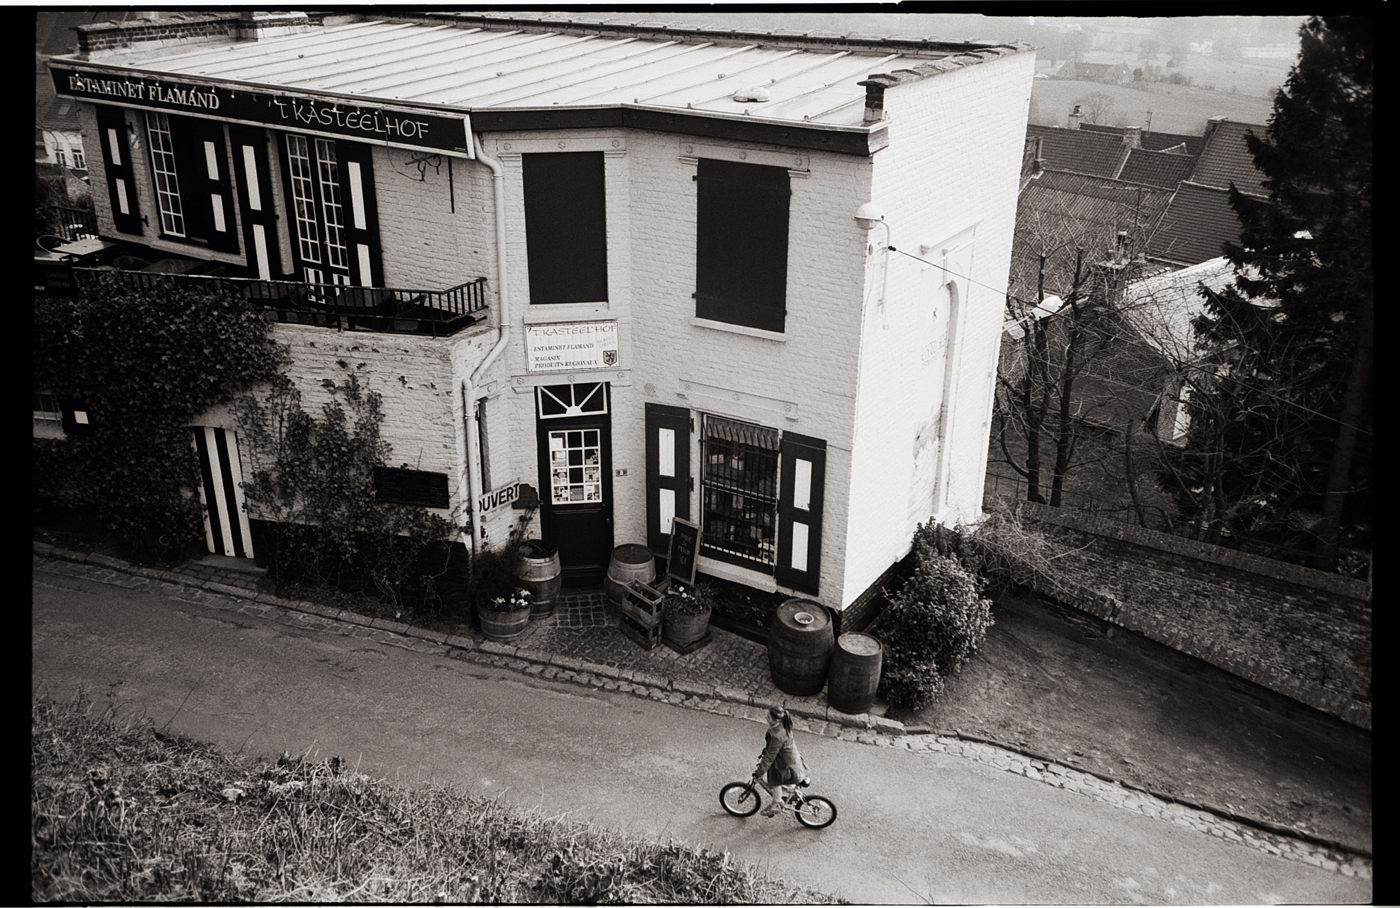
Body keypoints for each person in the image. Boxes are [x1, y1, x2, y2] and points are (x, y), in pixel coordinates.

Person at [753, 705, 809, 817]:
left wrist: (759, 772)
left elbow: (769, 757)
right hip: (791, 759)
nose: (766, 717)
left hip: (786, 765)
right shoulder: (784, 725)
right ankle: (785, 796)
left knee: (775, 780)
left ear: (776, 720)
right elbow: (773, 748)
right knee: (778, 779)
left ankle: (775, 805)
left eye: (768, 716)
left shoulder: (777, 736)